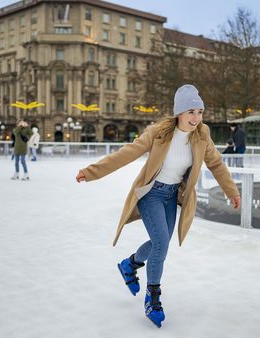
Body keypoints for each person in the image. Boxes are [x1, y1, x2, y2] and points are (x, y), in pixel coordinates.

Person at [76, 84, 241, 328]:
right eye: (191, 112)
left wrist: (232, 191)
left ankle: (129, 264)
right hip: (151, 194)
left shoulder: (202, 136)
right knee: (162, 243)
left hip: (172, 196)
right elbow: (127, 154)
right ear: (179, 113)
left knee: (158, 244)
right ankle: (153, 298)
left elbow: (216, 164)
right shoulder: (159, 132)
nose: (196, 118)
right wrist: (91, 172)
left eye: (200, 112)